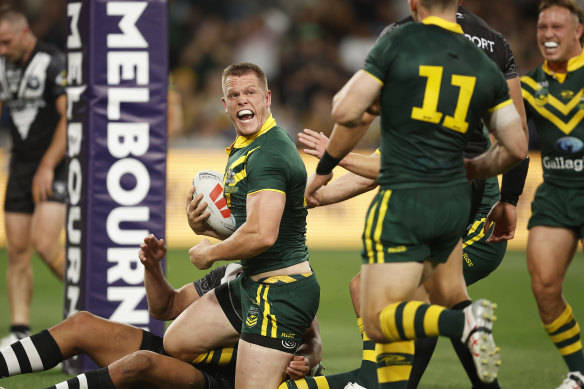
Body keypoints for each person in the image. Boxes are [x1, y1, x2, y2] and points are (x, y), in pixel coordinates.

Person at [295, 3, 530, 387]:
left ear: (415, 5)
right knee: (450, 290)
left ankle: (459, 324)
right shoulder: (482, 58)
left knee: (378, 317)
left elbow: (348, 110)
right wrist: (474, 169)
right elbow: (517, 146)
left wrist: (325, 168)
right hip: (456, 200)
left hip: (407, 196)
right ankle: (463, 326)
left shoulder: (399, 40)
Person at [160, 62, 320, 389]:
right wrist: (206, 227)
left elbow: (262, 234)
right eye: (233, 95)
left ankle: (300, 372)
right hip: (251, 283)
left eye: (250, 92)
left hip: (280, 291)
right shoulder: (244, 149)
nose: (242, 100)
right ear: (224, 104)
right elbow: (246, 227)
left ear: (267, 98)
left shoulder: (268, 152)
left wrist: (212, 253)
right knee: (176, 342)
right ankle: (270, 357)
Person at [0, 234, 321, 389]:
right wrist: (152, 268)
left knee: (139, 363)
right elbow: (166, 307)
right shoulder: (230, 274)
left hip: (225, 381)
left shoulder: (281, 280)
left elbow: (313, 341)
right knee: (82, 324)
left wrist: (307, 360)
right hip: (182, 360)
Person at [520, 1, 584, 388]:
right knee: (544, 286)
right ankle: (578, 370)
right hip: (557, 193)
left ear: (578, 31)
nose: (548, 34)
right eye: (543, 26)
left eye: (558, 26)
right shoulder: (527, 86)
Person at [0, 9, 67, 347]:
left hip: (54, 165)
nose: (1, 48)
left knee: (44, 242)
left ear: (25, 33)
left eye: (6, 41)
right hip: (21, 165)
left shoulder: (52, 62)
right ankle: (19, 331)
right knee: (18, 251)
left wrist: (47, 165)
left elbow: (68, 118)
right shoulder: (3, 66)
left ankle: (86, 306)